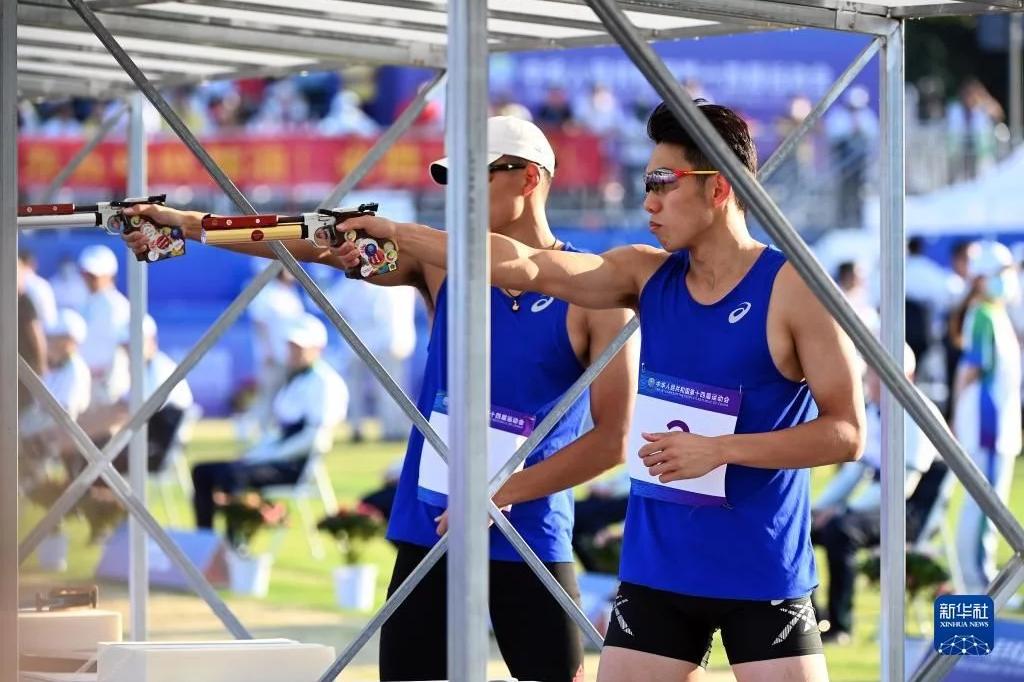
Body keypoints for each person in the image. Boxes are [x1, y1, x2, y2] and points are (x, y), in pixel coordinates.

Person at [337, 101, 867, 682]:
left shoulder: (794, 287)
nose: (649, 202)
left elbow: (846, 432)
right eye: (646, 185)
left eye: (663, 182)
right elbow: (529, 266)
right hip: (656, 575)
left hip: (761, 572)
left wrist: (721, 450)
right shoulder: (643, 274)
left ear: (718, 187)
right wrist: (397, 233)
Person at [120, 115, 637, 682]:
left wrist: (496, 495)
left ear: (529, 178)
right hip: (431, 528)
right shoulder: (440, 262)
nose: (460, 193)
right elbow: (311, 243)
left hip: (529, 533)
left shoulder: (595, 293)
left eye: (477, 176)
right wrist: (191, 224)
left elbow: (612, 441)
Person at [810, 344, 941, 644]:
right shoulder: (873, 410)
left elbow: (902, 485)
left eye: (880, 375)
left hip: (910, 510)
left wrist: (843, 511)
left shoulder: (917, 413)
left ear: (906, 376)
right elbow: (855, 472)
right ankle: (814, 620)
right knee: (804, 526)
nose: (873, 382)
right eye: (871, 374)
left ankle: (841, 625)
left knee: (841, 530)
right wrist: (817, 509)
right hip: (879, 501)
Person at [191, 314, 348, 533]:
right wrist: (256, 452)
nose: (293, 352)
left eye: (299, 348)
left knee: (233, 475)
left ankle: (235, 541)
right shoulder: (293, 380)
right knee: (202, 471)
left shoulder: (326, 383)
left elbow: (314, 439)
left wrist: (266, 456)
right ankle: (205, 539)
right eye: (291, 347)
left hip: (293, 465)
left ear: (317, 348)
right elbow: (279, 431)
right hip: (275, 456)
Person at [952, 240, 1022, 595]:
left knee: (991, 502)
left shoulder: (996, 313)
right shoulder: (982, 314)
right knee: (984, 503)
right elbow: (971, 370)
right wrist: (957, 418)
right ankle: (977, 581)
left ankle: (984, 575)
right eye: (1002, 273)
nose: (1009, 279)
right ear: (982, 278)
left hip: (1000, 422)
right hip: (986, 423)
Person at [77, 245, 130, 406]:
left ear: (109, 275)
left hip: (108, 385)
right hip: (88, 383)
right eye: (86, 274)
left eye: (94, 275)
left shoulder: (117, 305)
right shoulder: (85, 302)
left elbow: (126, 346)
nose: (89, 279)